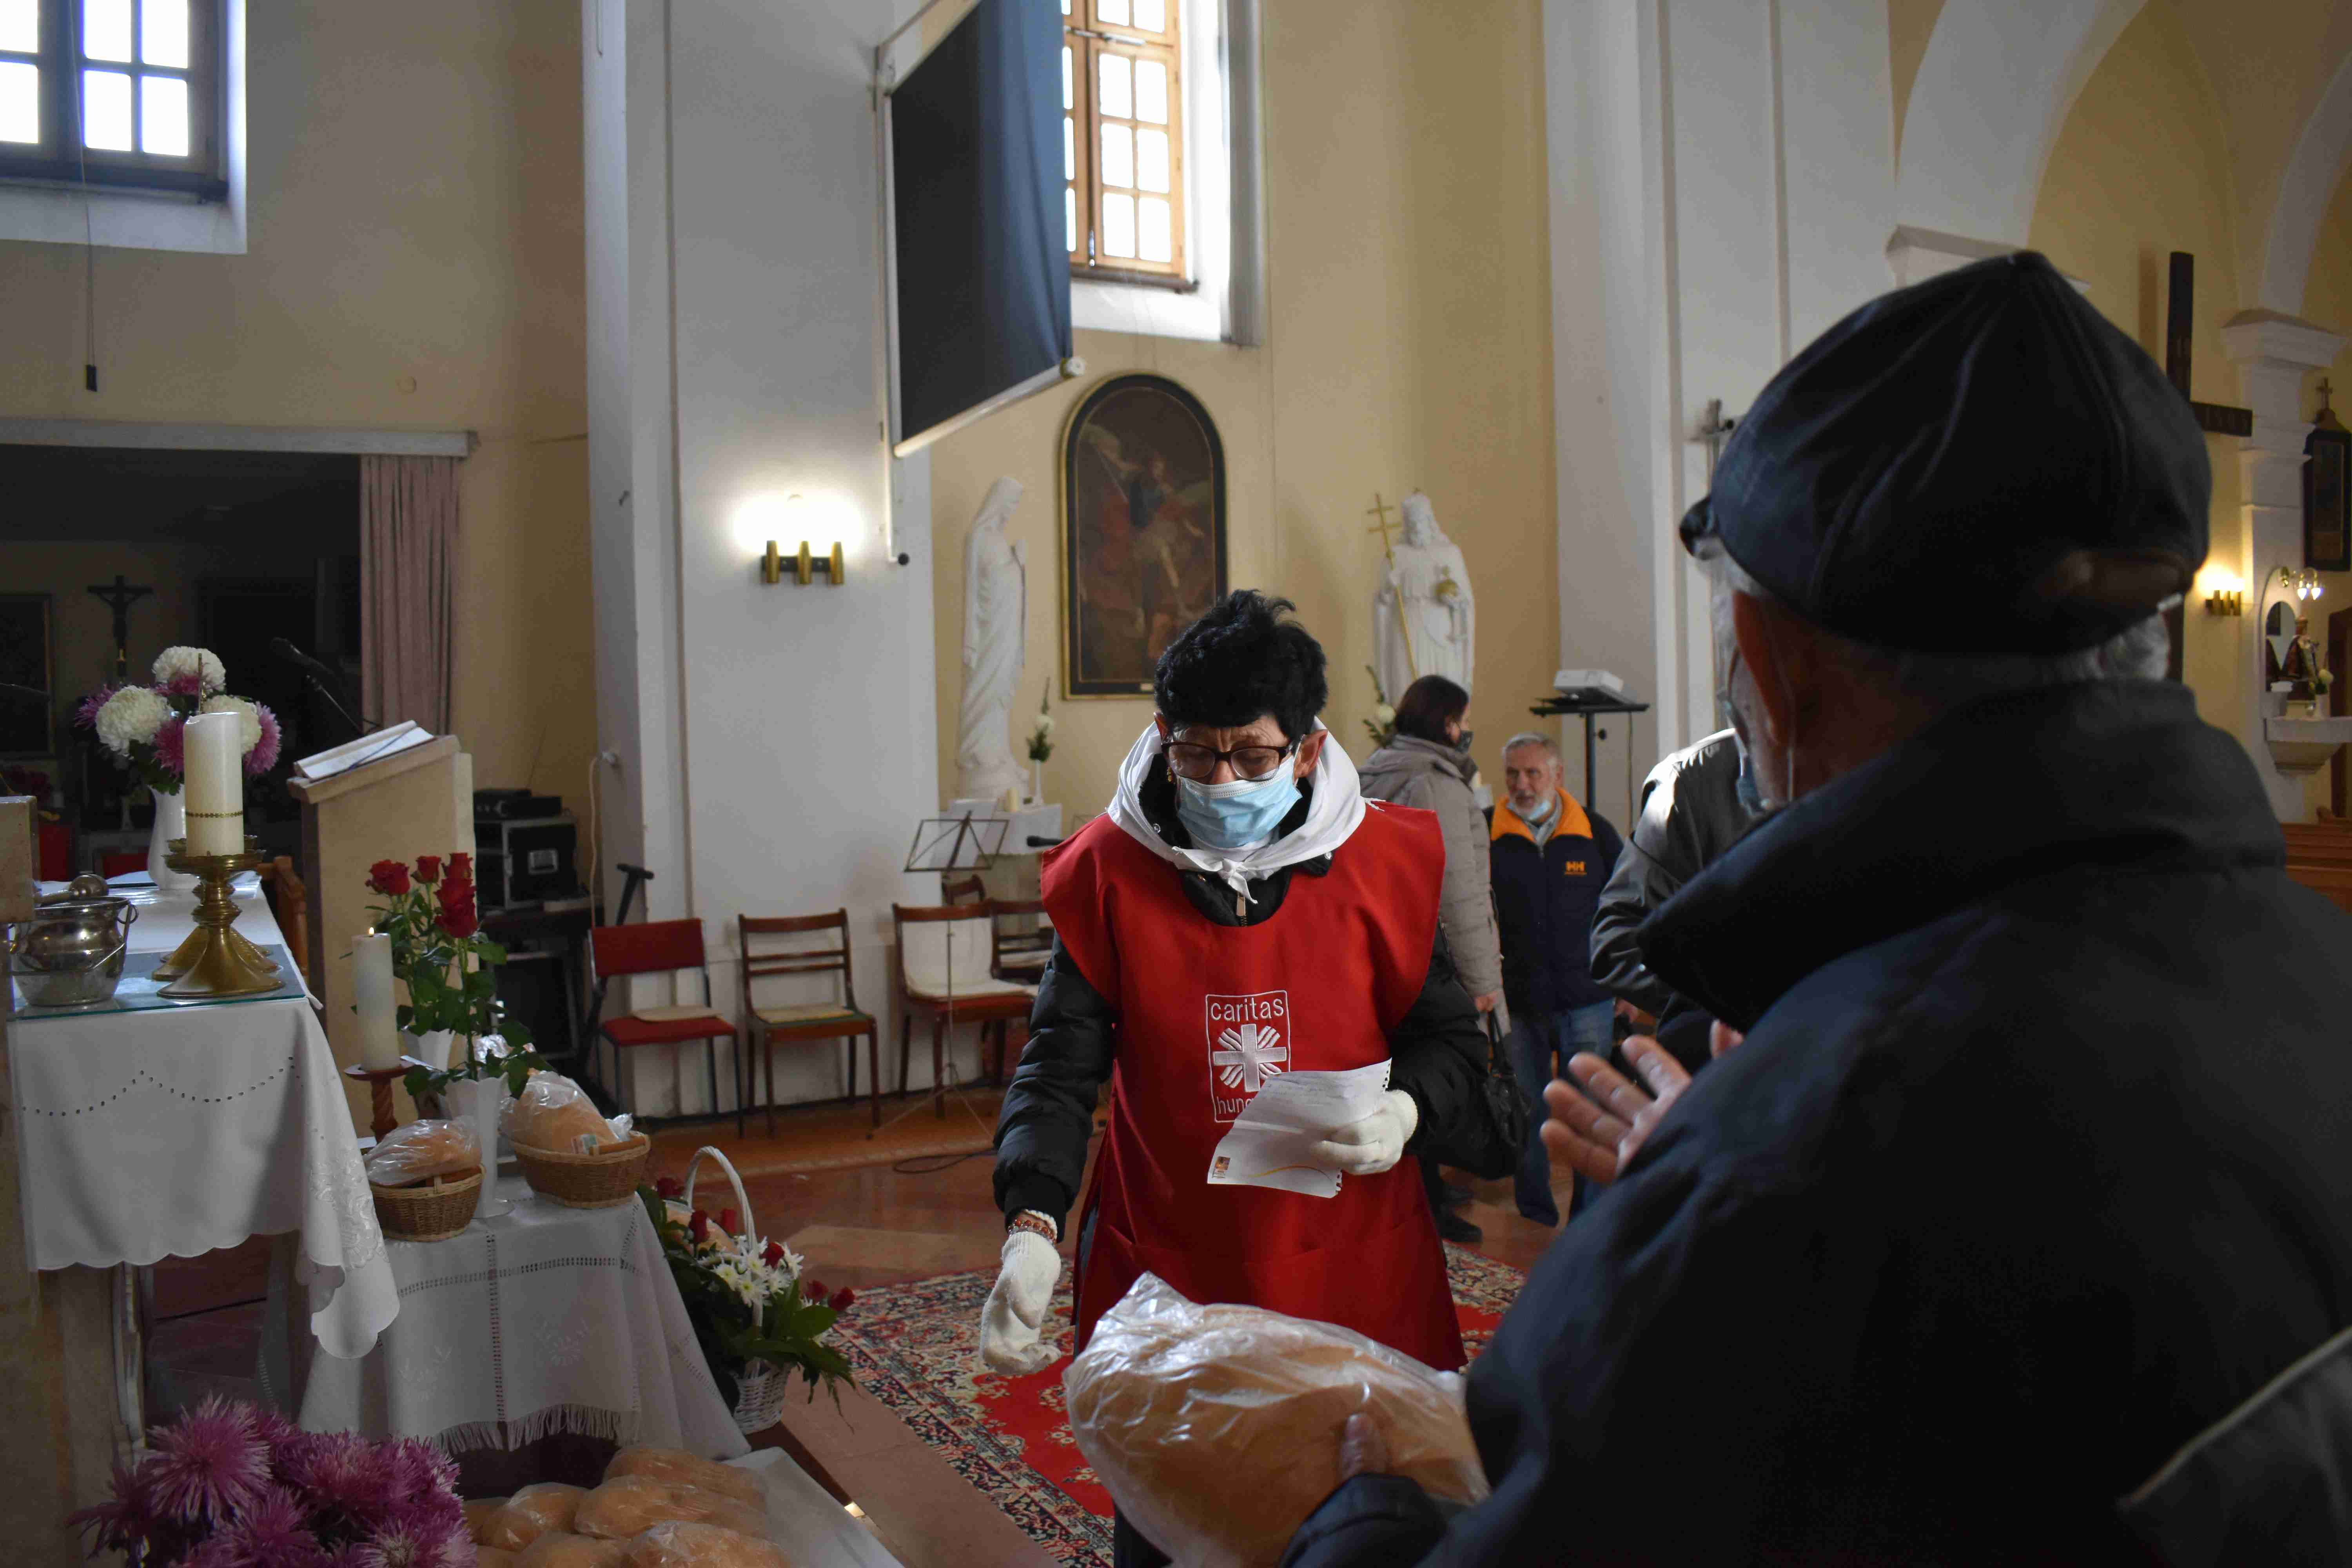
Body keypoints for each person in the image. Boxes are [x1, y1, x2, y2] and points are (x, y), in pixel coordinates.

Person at [1281, 252, 2352, 1564]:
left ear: (1776, 671)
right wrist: (1743, 1174)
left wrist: (1356, 1508)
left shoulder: (1806, 1178)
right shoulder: (2324, 967)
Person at [982, 591, 1491, 1568]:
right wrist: (1033, 1221)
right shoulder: (1109, 869)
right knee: (1175, 1525)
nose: (1221, 779)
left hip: (1348, 1259)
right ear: (1161, 736)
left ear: (1306, 748)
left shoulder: (1381, 861)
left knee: (1363, 1527)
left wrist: (1406, 1109)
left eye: (1252, 756)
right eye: (1196, 753)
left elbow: (1452, 1046)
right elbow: (1056, 1065)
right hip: (1173, 1267)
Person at [1358, 674, 1507, 1245]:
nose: (1467, 730)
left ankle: (1426, 1194)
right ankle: (1429, 1204)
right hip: (1435, 961)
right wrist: (1482, 979)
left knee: (1401, 1073)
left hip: (1384, 956)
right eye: (1463, 720)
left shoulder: (1373, 770)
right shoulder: (1435, 784)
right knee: (1444, 1072)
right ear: (1447, 723)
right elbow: (1458, 893)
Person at [1484, 731, 1621, 1226]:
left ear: (1558, 775)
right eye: (1513, 774)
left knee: (1588, 1115)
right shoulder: (1486, 832)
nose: (1522, 784)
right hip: (1519, 1003)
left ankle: (1589, 1220)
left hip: (1589, 1000)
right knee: (1527, 1115)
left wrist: (1626, 985)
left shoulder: (1595, 832)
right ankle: (1534, 1218)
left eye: (1533, 773)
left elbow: (1623, 909)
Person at [1585, 728, 1760, 1069]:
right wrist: (1724, 1006)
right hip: (1727, 1067)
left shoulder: (1872, 773)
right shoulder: (1689, 783)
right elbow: (1618, 942)